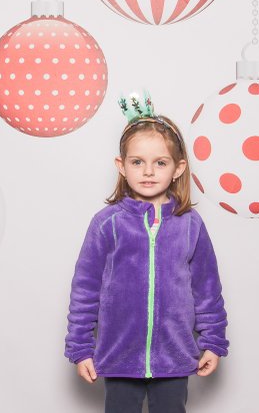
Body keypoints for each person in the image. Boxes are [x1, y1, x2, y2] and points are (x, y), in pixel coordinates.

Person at [65, 92, 229, 413]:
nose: (148, 171)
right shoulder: (107, 223)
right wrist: (80, 347)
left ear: (178, 168)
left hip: (174, 357)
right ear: (122, 166)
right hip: (119, 355)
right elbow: (85, 289)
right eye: (137, 162)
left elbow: (207, 288)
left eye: (160, 163)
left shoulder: (190, 224)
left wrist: (213, 341)